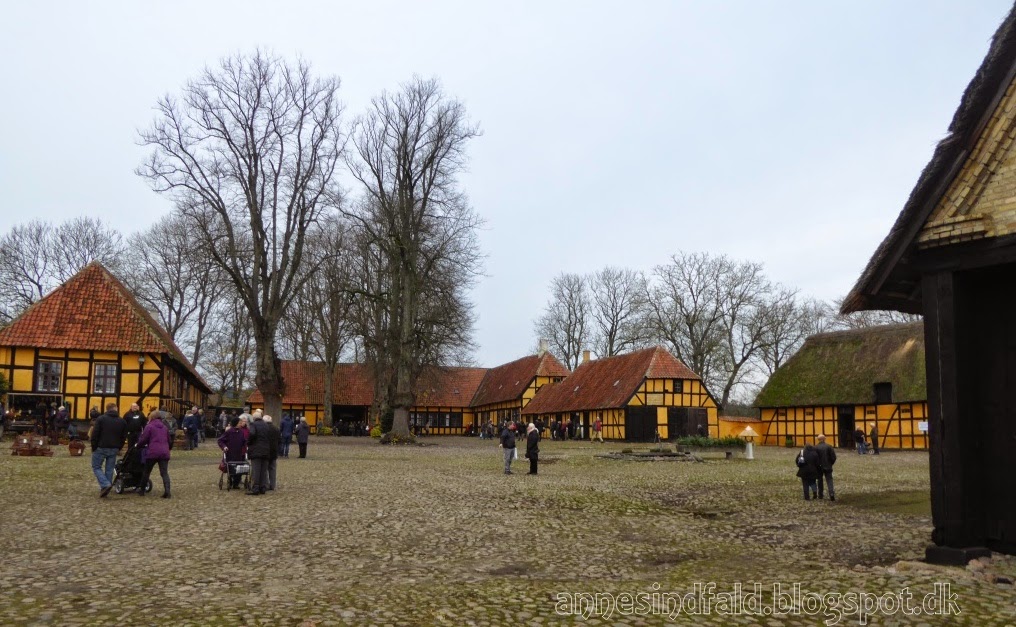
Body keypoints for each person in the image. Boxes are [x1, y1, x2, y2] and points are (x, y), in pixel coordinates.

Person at [90, 403, 127, 498]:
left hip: (101, 447)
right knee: (109, 469)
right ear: (116, 409)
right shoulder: (122, 421)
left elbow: (95, 434)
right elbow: (124, 436)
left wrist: (94, 446)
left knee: (96, 467)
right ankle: (106, 487)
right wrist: (119, 447)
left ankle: (105, 484)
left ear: (107, 409)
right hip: (114, 448)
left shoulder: (101, 419)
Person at [137, 410, 171, 498]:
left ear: (151, 417)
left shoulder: (149, 426)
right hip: (164, 452)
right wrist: (168, 448)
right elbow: (169, 440)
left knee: (147, 471)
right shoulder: (164, 427)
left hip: (153, 451)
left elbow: (144, 438)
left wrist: (138, 445)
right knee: (164, 472)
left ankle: (142, 490)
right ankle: (167, 490)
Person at [218, 416, 248, 490]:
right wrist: (224, 447)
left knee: (239, 469)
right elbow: (220, 440)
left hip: (239, 453)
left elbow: (244, 441)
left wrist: (247, 446)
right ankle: (231, 482)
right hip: (230, 453)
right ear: (236, 423)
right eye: (239, 422)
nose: (241, 424)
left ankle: (236, 483)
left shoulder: (241, 432)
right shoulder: (229, 432)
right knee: (231, 468)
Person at [246, 412, 271, 495]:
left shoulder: (253, 424)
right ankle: (262, 487)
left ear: (254, 418)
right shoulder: (266, 425)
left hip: (256, 449)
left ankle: (255, 488)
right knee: (263, 470)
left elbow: (252, 433)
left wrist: (248, 442)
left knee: (256, 470)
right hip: (266, 450)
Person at [815, 434, 837, 501]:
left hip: (819, 466)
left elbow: (815, 458)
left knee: (820, 480)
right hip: (828, 466)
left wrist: (816, 464)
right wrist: (831, 463)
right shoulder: (829, 446)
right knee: (829, 480)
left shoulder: (816, 447)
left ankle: (820, 495)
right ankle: (831, 494)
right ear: (824, 439)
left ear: (818, 440)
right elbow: (833, 457)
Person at [265, 415, 280, 491]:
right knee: (273, 469)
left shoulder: (264, 429)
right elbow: (279, 440)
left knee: (265, 469)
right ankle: (272, 485)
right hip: (274, 451)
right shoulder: (276, 429)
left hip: (266, 451)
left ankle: (266, 484)